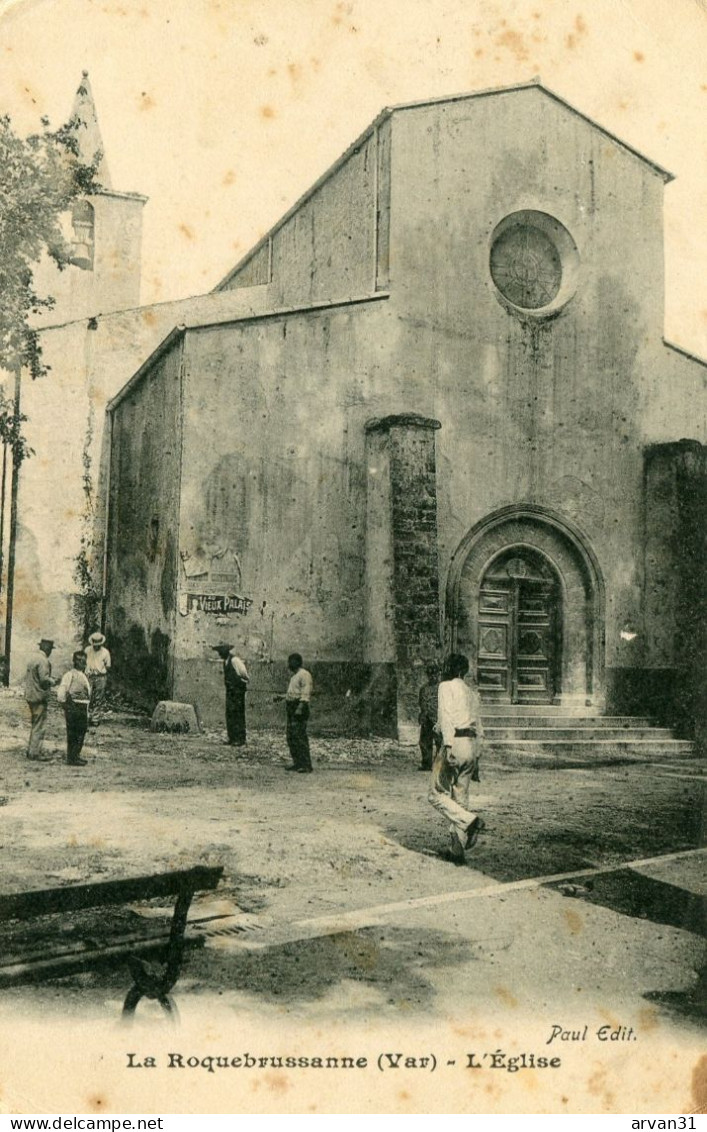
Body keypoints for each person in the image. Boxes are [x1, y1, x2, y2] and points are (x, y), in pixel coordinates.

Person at [428, 652, 484, 863]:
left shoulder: (445, 687)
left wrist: (448, 744)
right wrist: (477, 754)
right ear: (465, 670)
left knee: (436, 794)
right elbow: (479, 726)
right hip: (471, 745)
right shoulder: (472, 693)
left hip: (455, 742)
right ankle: (457, 850)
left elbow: (446, 715)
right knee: (461, 797)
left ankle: (470, 822)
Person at [24, 637, 58, 761]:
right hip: (39, 696)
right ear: (47, 649)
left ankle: (31, 750)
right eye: (50, 649)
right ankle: (34, 753)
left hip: (31, 695)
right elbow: (44, 680)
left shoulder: (33, 658)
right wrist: (53, 681)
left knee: (35, 723)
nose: (51, 652)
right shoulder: (43, 661)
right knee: (39, 725)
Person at [56, 651, 91, 766]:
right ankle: (72, 757)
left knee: (81, 731)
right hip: (74, 706)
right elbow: (62, 691)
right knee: (73, 733)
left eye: (84, 661)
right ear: (75, 661)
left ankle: (76, 755)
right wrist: (66, 705)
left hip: (83, 706)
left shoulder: (84, 675)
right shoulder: (69, 675)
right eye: (80, 661)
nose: (83, 663)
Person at [212, 644, 249, 746]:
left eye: (221, 652)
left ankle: (240, 739)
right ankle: (232, 737)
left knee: (238, 714)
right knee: (230, 713)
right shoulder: (225, 662)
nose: (220, 655)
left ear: (226, 652)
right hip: (230, 692)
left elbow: (244, 674)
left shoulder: (235, 660)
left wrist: (239, 685)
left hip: (237, 692)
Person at [284, 652, 313, 773]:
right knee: (291, 736)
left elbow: (305, 694)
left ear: (296, 662)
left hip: (299, 707)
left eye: (290, 661)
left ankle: (306, 765)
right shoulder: (294, 676)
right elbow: (293, 693)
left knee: (299, 736)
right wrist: (281, 697)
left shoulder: (304, 674)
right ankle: (297, 762)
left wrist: (300, 708)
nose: (288, 664)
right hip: (291, 708)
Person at [418, 662, 442, 771]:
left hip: (438, 718)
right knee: (424, 741)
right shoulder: (424, 688)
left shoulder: (442, 688)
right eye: (430, 675)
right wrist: (422, 715)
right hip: (426, 718)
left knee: (439, 742)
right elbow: (421, 702)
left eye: (435, 675)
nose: (432, 677)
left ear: (439, 674)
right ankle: (426, 763)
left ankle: (439, 764)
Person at [84, 631, 111, 724]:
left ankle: (95, 717)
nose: (96, 646)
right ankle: (87, 716)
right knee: (87, 696)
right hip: (89, 676)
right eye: (94, 644)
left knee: (98, 697)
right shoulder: (87, 650)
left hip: (100, 677)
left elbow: (108, 665)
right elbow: (83, 661)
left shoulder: (105, 652)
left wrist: (99, 670)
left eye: (98, 644)